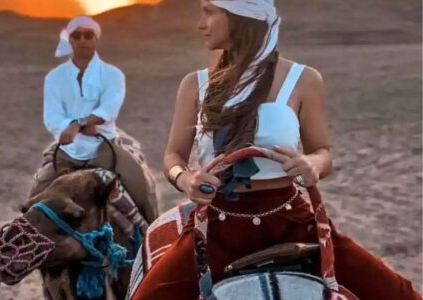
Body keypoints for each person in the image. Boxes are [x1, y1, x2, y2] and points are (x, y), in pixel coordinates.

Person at [131, 1, 420, 299]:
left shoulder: (303, 80)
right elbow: (172, 157)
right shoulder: (195, 85)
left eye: (209, 11)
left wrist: (311, 164)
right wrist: (186, 179)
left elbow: (322, 151)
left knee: (400, 294)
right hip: (217, 224)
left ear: (241, 16)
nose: (200, 24)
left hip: (291, 220)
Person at [30, 16, 157, 222]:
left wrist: (78, 124)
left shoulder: (112, 75)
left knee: (139, 183)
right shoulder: (54, 78)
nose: (82, 40)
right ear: (69, 40)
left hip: (104, 146)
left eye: (88, 35)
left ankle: (152, 236)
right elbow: (52, 116)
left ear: (96, 39)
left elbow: (109, 109)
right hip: (67, 150)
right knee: (36, 196)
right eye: (76, 35)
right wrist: (73, 128)